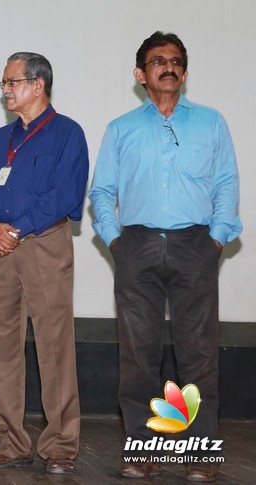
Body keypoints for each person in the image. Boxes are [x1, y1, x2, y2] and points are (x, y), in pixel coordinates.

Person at [88, 31, 241, 482]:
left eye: (175, 61)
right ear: (141, 74)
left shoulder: (211, 123)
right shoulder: (121, 129)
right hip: (136, 246)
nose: (168, 67)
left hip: (196, 245)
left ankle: (198, 454)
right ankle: (143, 451)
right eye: (158, 61)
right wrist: (115, 238)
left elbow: (226, 184)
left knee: (199, 354)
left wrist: (215, 238)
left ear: (185, 73)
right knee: (138, 356)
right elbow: (101, 191)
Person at [0, 52, 88, 474]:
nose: (5, 90)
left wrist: (18, 228)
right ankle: (11, 442)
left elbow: (66, 194)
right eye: (3, 83)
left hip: (43, 244)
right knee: (1, 347)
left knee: (54, 346)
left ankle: (60, 445)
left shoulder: (68, 134)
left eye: (12, 82)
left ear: (38, 85)